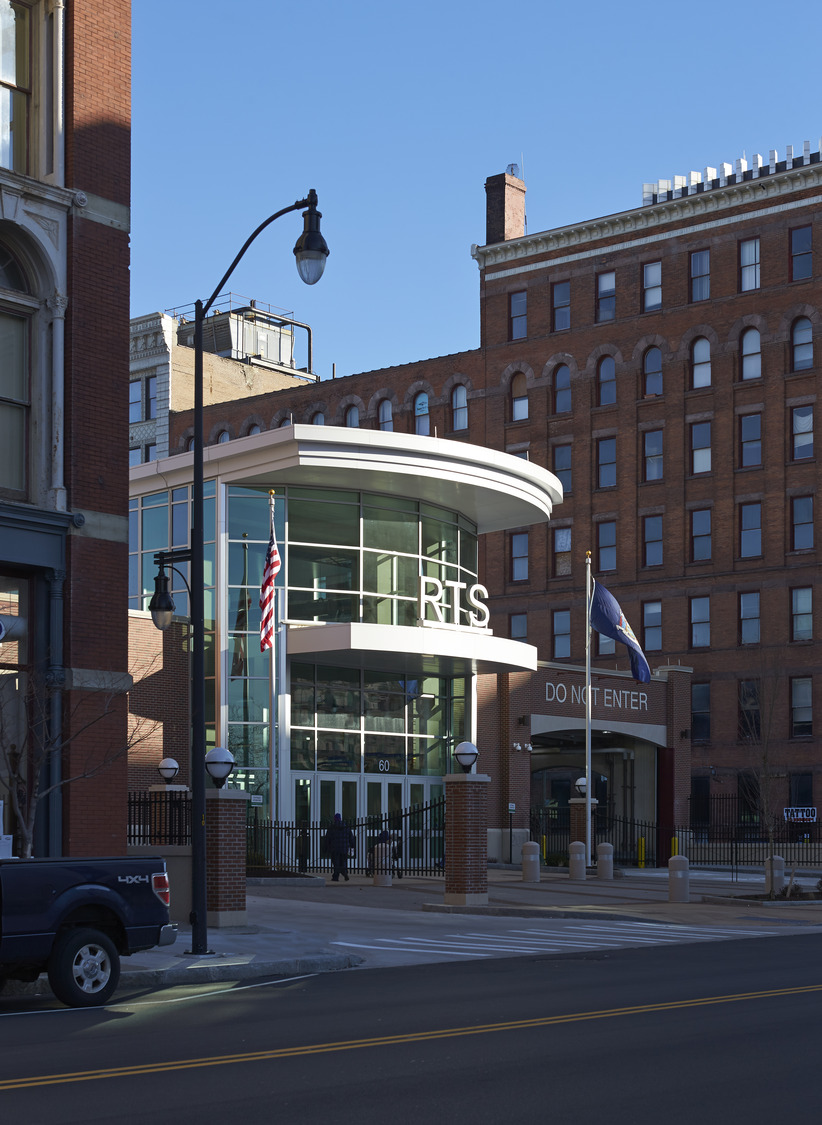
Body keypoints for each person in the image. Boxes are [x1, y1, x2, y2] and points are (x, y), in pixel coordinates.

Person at [324, 813, 354, 882]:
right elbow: (351, 838)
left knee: (336, 862)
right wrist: (352, 845)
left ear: (334, 819)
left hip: (335, 848)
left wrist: (326, 848)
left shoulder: (332, 827)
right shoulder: (346, 827)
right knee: (343, 862)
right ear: (340, 819)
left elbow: (327, 839)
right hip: (344, 848)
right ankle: (344, 872)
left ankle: (336, 876)